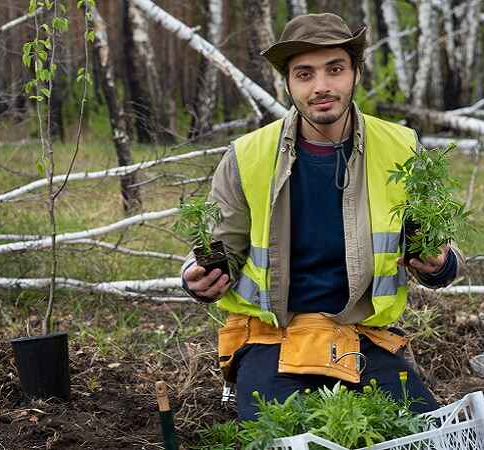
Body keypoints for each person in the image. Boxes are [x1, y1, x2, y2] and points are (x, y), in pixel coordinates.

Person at [180, 13, 465, 421]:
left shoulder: (403, 148)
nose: (321, 87)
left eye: (335, 69)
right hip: (271, 338)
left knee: (418, 432)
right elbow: (217, 244)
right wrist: (198, 277)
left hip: (364, 337)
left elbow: (443, 253)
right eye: (305, 74)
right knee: (278, 437)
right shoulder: (247, 156)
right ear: (288, 84)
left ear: (356, 73)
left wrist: (438, 263)